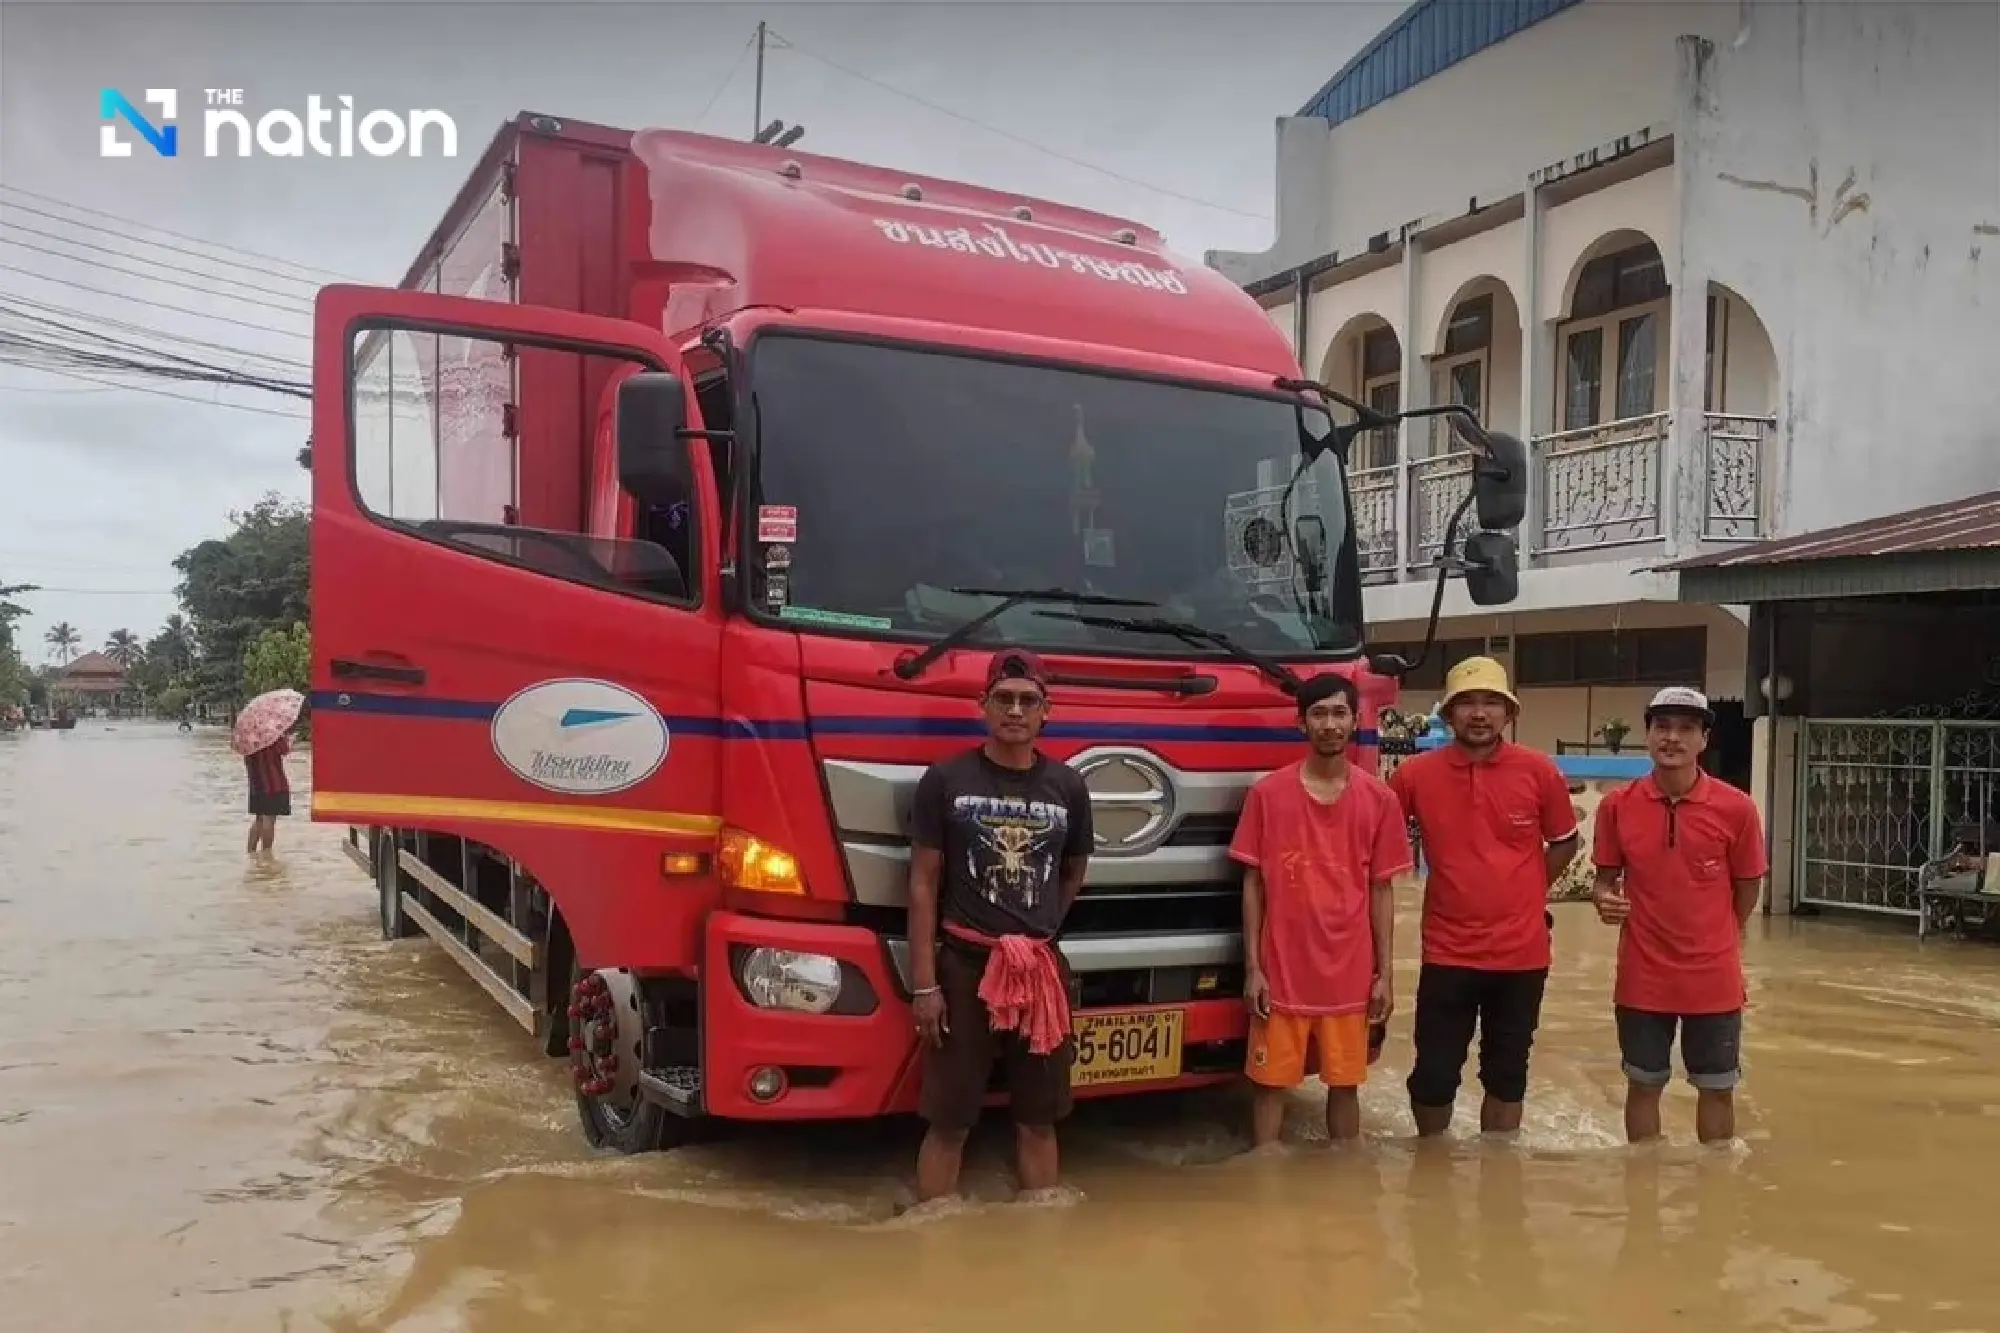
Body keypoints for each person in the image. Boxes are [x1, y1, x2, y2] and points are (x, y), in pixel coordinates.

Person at [906, 648, 1094, 1202]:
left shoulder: (1068, 788)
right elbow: (921, 884)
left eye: (1027, 701)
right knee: (949, 1120)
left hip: (1038, 973)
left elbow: (1073, 871)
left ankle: (1042, 1241)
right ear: (983, 706)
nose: (1016, 711)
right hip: (964, 968)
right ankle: (930, 1233)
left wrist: (1038, 934)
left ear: (1045, 712)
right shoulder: (945, 780)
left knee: (1040, 1118)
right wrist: (925, 986)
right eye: (1004, 699)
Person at [1387, 656, 1579, 1137]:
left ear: (1509, 713)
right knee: (1433, 1073)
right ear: (1448, 714)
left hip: (1522, 953)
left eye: (1491, 702)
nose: (1479, 713)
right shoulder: (1414, 776)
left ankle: (1498, 1176)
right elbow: (1378, 842)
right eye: (1467, 703)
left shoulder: (1539, 772)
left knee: (1507, 1074)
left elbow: (1565, 841)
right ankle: (1431, 1172)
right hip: (1447, 949)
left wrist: (1531, 890)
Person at [1231, 673, 1412, 1147]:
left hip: (1349, 978)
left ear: (1355, 721)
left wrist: (1385, 975)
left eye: (1339, 713)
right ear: (1300, 723)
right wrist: (1254, 969)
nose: (1330, 724)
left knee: (1345, 1087)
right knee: (1269, 1088)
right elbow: (1253, 885)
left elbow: (1381, 890)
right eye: (1319, 713)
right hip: (1283, 972)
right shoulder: (1267, 795)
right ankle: (1265, 1180)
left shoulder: (1380, 800)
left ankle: (1344, 1186)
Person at [1590, 686, 1768, 1145]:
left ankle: (1715, 1202)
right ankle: (1642, 1202)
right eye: (1662, 727)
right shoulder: (1616, 806)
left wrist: (1724, 934)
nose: (1673, 738)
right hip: (1641, 976)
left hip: (1714, 978)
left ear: (1704, 739)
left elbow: (1748, 885)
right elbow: (1605, 879)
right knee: (1643, 1085)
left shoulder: (1737, 808)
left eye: (1686, 728)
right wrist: (1604, 898)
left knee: (1716, 1090)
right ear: (1647, 735)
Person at [245, 732, 292, 854]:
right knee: (269, 819)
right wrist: (287, 739)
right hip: (273, 784)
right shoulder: (272, 735)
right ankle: (266, 853)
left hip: (256, 784)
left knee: (259, 818)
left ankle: (251, 852)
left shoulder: (248, 739)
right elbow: (284, 750)